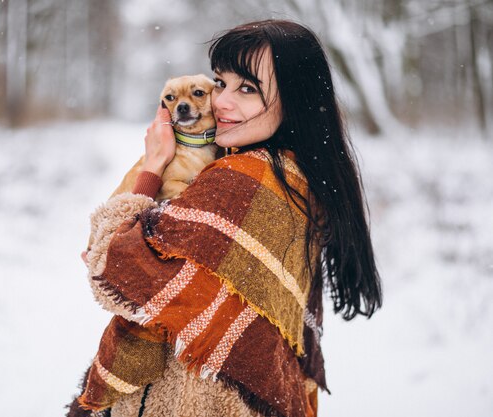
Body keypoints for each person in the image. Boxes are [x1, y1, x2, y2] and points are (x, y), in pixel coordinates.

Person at [67, 19, 382, 417]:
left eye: (247, 89)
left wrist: (153, 166)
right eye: (220, 82)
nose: (221, 102)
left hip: (197, 401)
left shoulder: (244, 183)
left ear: (295, 100)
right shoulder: (299, 176)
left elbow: (115, 267)